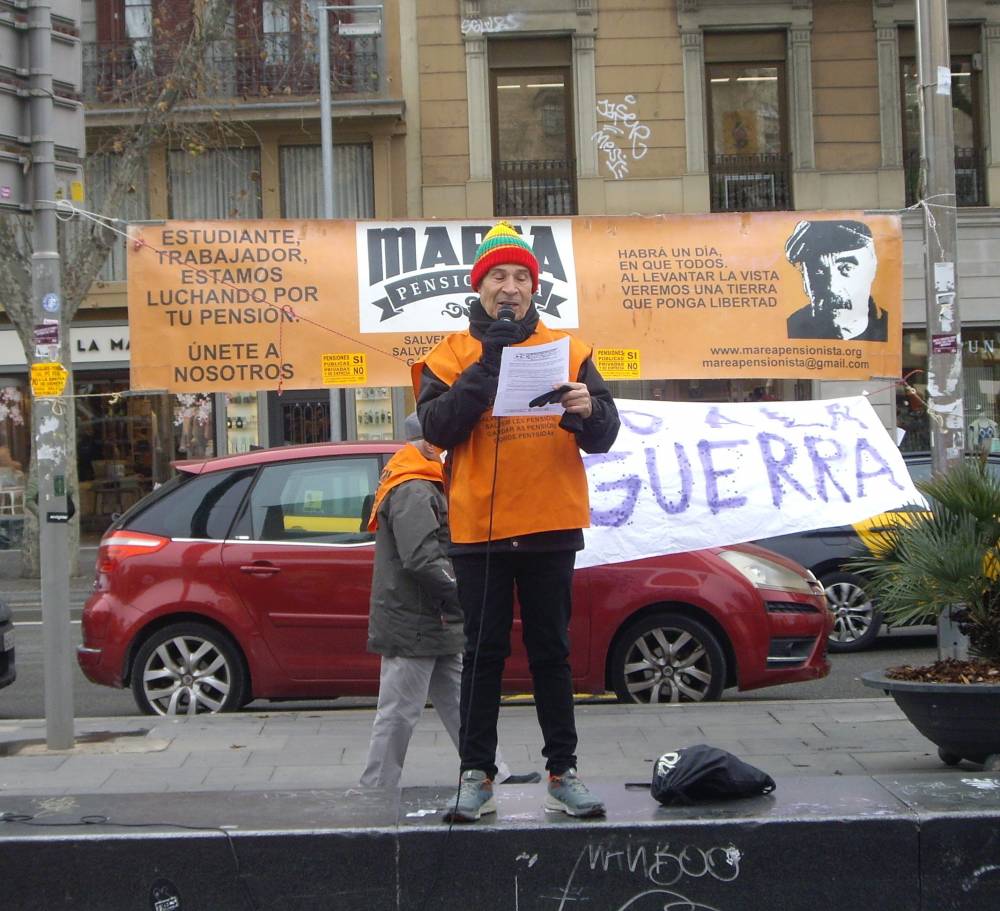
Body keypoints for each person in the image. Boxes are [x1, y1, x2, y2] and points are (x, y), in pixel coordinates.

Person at [414, 221, 621, 822]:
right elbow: (437, 428)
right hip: (478, 528)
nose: (510, 287)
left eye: (521, 277)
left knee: (552, 652)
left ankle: (563, 772)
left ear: (534, 287)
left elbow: (604, 435)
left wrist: (589, 408)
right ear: (479, 287)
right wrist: (488, 362)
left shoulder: (569, 349)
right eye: (498, 277)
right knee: (482, 654)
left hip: (550, 522)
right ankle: (475, 776)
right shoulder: (449, 354)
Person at [360, 412, 536, 789]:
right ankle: (376, 788)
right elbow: (422, 558)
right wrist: (463, 595)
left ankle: (492, 772)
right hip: (415, 622)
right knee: (399, 713)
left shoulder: (421, 480)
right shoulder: (414, 487)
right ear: (429, 443)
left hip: (433, 618)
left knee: (462, 704)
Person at [785, 219, 888, 342]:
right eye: (817, 271)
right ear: (804, 279)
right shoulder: (788, 331)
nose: (832, 288)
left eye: (847, 268)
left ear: (871, 270)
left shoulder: (891, 330)